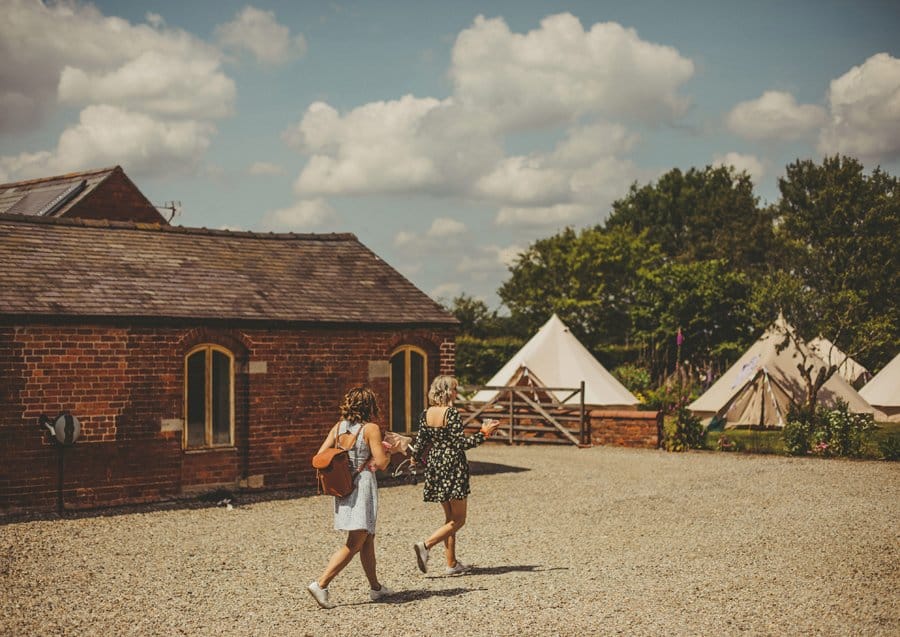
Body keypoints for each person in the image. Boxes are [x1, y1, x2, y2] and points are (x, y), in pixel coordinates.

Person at [308, 386, 393, 609]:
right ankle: (321, 584)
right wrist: (389, 451)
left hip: (343, 485)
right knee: (355, 541)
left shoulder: (339, 427)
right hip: (362, 486)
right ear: (370, 406)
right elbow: (381, 463)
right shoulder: (371, 428)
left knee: (367, 538)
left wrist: (345, 460)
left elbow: (319, 456)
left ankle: (375, 588)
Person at [411, 375, 500, 575]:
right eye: (454, 389)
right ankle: (425, 545)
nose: (456, 393)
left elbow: (421, 442)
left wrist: (414, 458)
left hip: (435, 464)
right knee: (459, 520)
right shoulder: (451, 413)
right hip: (452, 465)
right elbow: (461, 444)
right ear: (446, 391)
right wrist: (484, 433)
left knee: (450, 518)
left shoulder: (426, 413)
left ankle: (451, 564)